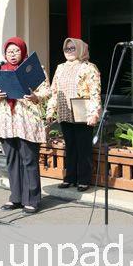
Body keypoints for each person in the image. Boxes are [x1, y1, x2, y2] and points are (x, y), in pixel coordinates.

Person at [0, 37, 50, 214]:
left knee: (29, 159)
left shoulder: (35, 68)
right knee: (12, 159)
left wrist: (36, 97)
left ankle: (32, 199)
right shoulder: (0, 70)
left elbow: (47, 90)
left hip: (27, 120)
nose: (13, 54)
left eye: (16, 51)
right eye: (9, 51)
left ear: (23, 51)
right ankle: (15, 197)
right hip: (7, 121)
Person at [46, 38, 101, 192]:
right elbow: (54, 91)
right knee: (70, 146)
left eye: (72, 48)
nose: (69, 51)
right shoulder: (60, 67)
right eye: (67, 49)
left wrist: (94, 113)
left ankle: (83, 180)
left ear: (80, 49)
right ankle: (70, 178)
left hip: (82, 108)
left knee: (83, 147)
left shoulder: (89, 67)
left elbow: (95, 92)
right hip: (64, 109)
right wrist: (50, 111)